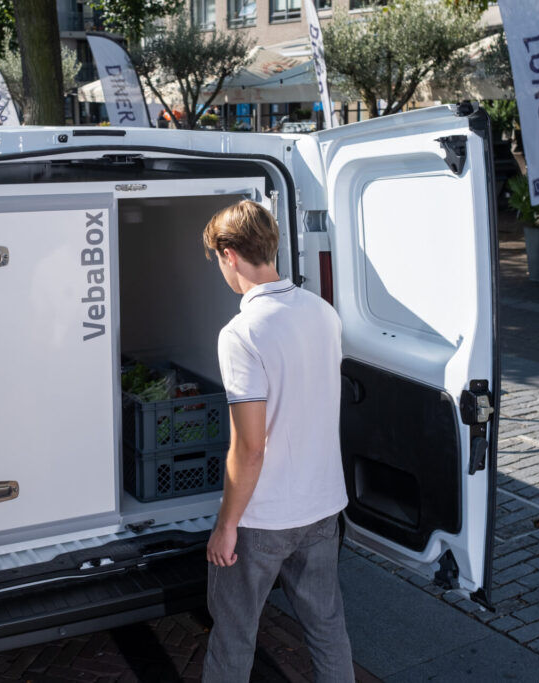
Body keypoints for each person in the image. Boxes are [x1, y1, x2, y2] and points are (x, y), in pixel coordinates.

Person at [201, 200, 353, 683]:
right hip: (322, 508)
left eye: (218, 258)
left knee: (233, 637)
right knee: (327, 629)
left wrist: (227, 525)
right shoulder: (323, 313)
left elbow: (250, 447)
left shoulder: (241, 333)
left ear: (229, 254)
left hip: (263, 519)